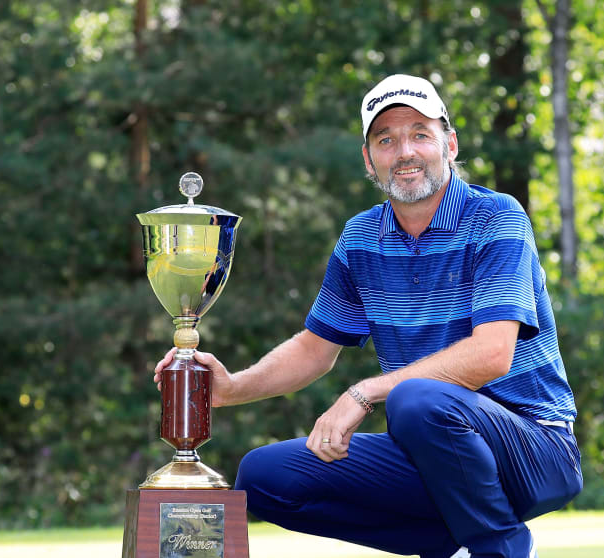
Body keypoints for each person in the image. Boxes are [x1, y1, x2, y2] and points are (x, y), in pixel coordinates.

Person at [154, 74, 582, 558]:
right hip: (429, 450)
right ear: (368, 158)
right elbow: (315, 348)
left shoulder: (497, 217)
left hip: (535, 447)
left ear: (450, 144)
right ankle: (452, 543)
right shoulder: (360, 238)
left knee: (416, 400)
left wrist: (364, 393)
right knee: (265, 477)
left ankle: (500, 548)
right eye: (386, 139)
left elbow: (492, 354)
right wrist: (233, 388)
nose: (405, 151)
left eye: (420, 134)